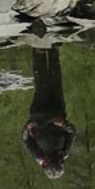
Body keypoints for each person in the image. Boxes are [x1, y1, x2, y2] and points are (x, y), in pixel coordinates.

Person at [21, 48, 75, 179]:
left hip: (39, 114)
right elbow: (72, 132)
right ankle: (53, 50)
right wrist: (64, 125)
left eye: (53, 160)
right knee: (56, 80)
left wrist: (27, 129)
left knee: (42, 84)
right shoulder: (64, 152)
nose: (55, 157)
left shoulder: (38, 155)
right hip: (58, 110)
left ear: (47, 163)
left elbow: (26, 140)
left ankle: (38, 54)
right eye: (57, 160)